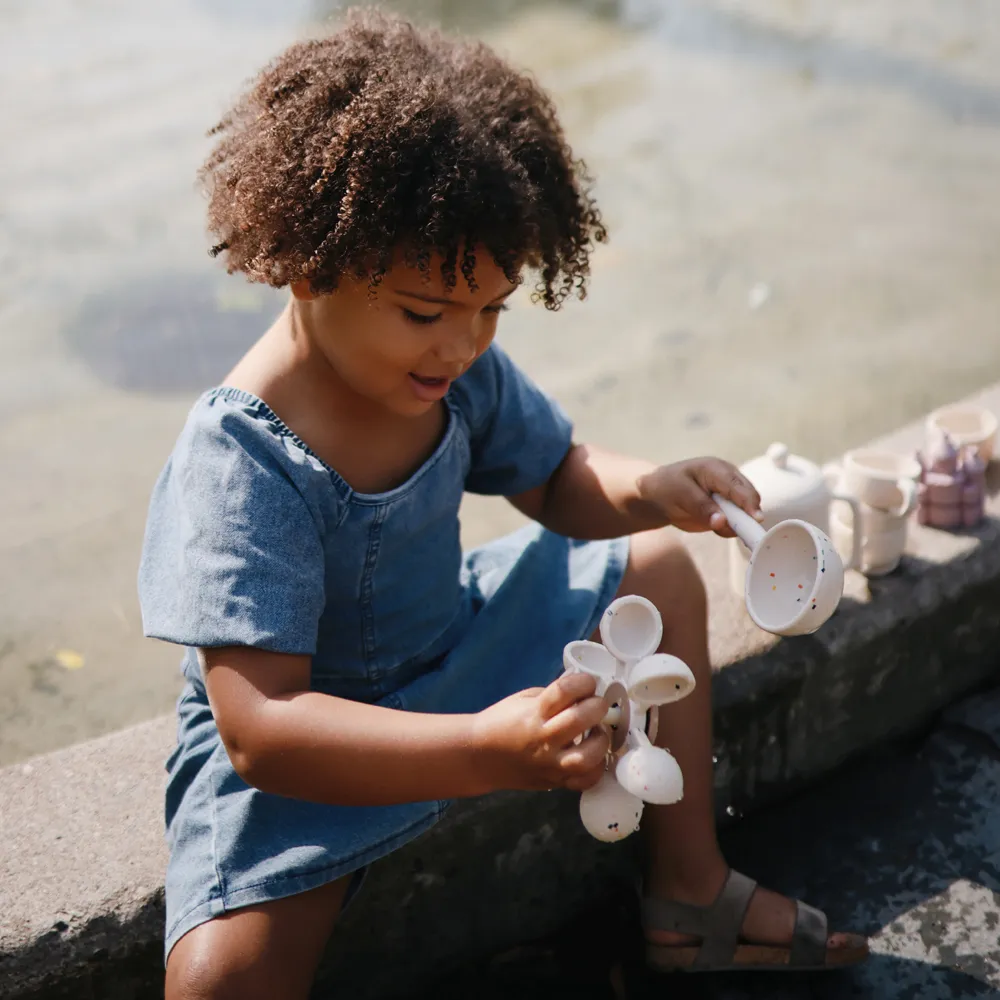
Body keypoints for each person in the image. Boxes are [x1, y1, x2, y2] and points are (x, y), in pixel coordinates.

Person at [138, 10, 868, 997]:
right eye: (426, 313)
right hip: (319, 738)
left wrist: (648, 488)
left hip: (454, 645)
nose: (463, 344)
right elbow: (260, 729)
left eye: (492, 309)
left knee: (656, 565)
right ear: (310, 263)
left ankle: (688, 887)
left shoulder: (449, 371)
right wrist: (487, 750)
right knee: (222, 979)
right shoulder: (242, 457)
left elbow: (557, 475)